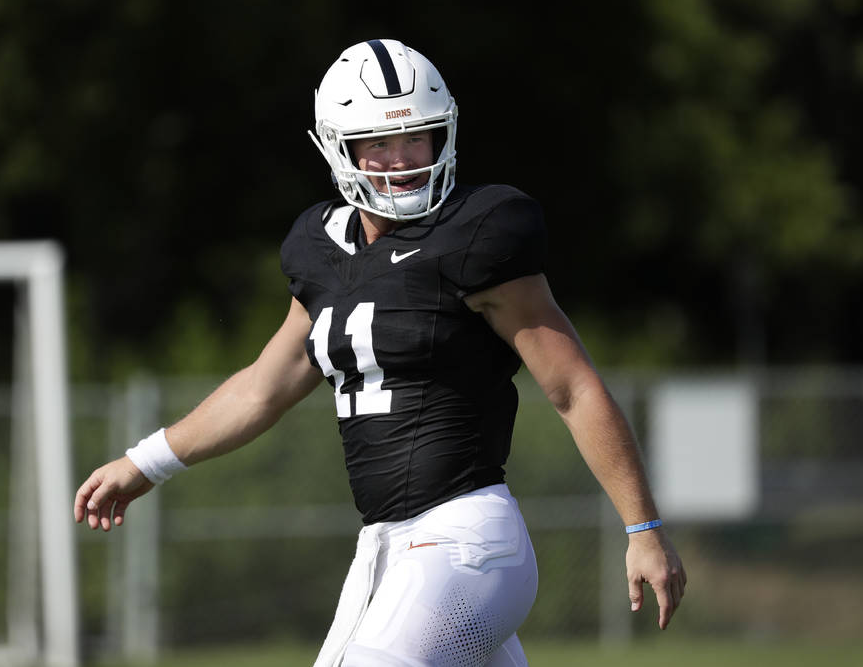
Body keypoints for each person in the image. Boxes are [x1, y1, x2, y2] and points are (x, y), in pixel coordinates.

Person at [74, 38, 686, 666]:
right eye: (379, 145)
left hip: (466, 540)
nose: (401, 161)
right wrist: (145, 462)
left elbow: (573, 387)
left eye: (416, 139)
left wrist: (642, 527)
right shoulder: (321, 249)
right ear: (340, 149)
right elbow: (264, 384)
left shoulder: (478, 232)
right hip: (384, 550)